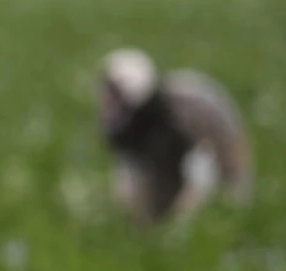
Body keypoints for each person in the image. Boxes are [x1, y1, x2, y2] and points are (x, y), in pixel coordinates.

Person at [98, 47, 252, 225]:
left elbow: (206, 164)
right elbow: (127, 160)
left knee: (211, 203)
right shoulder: (118, 114)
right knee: (138, 208)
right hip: (169, 155)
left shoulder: (181, 112)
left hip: (208, 153)